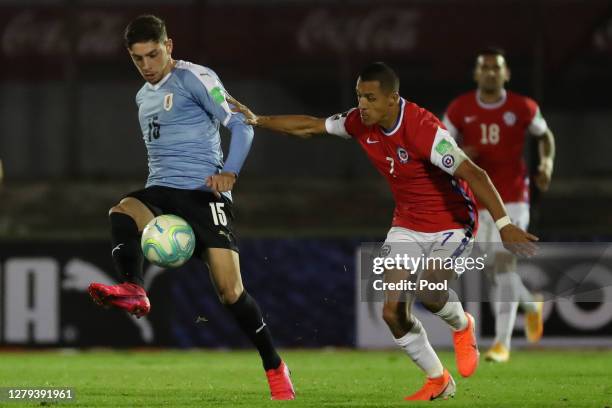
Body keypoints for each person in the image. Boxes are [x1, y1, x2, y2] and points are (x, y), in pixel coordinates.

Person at [228, 62, 538, 401]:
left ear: (393, 99)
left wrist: (505, 225)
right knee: (392, 312)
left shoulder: (424, 130)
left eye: (371, 98)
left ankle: (463, 325)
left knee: (431, 292)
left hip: (451, 222)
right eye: (360, 96)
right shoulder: (358, 122)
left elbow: (475, 173)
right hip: (407, 222)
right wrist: (259, 120)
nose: (362, 104)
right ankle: (439, 379)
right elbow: (310, 127)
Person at [87, 15, 294, 400]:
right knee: (121, 210)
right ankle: (134, 288)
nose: (147, 66)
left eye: (153, 54)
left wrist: (230, 172)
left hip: (204, 195)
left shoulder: (195, 78)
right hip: (162, 191)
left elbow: (242, 125)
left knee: (231, 293)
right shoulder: (142, 97)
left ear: (170, 46)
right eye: (138, 59)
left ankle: (274, 365)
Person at [443, 47, 555, 363]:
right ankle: (532, 306)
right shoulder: (459, 108)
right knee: (493, 268)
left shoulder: (523, 107)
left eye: (497, 67)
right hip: (476, 200)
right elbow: (439, 144)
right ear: (477, 73)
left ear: (506, 74)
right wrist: (460, 152)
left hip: (514, 198)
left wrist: (546, 164)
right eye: (485, 67)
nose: (491, 72)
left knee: (503, 265)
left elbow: (545, 136)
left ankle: (501, 344)